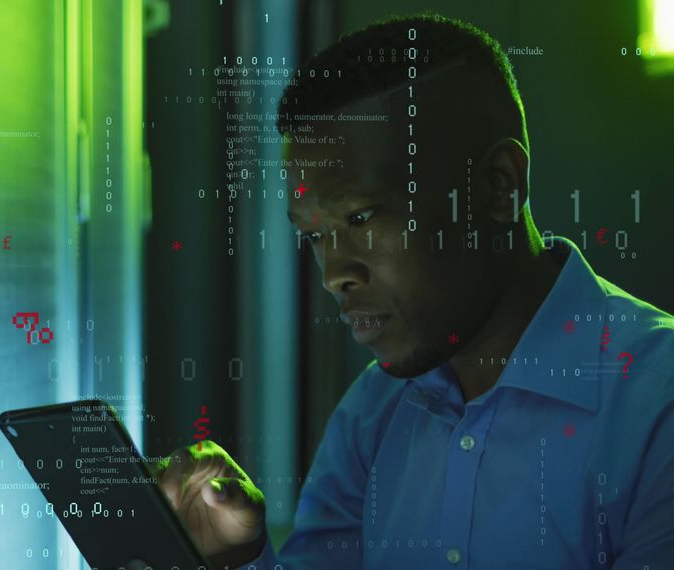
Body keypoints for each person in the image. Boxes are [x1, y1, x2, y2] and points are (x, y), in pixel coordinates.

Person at [154, 13, 674, 569]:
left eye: (362, 217)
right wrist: (238, 557)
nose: (334, 274)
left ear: (500, 186)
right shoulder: (372, 413)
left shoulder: (655, 404)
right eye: (314, 235)